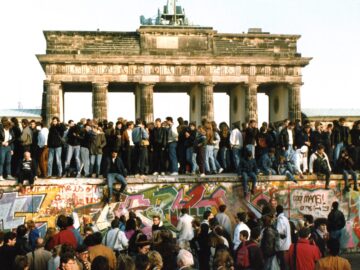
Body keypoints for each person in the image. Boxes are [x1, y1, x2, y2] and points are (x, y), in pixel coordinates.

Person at [275, 205, 292, 269]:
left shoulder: (280, 219)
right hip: (286, 245)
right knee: (285, 264)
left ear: (276, 211)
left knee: (283, 265)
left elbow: (279, 231)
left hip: (282, 246)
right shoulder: (285, 218)